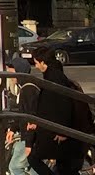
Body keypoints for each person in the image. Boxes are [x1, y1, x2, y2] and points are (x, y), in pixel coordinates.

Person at [28, 46, 86, 175]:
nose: (36, 67)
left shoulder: (54, 78)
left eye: (36, 63)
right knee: (65, 167)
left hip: (57, 131)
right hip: (56, 129)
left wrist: (63, 131)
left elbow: (62, 104)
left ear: (43, 62)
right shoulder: (55, 74)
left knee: (34, 158)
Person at [5, 55, 40, 175]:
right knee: (33, 168)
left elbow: (31, 117)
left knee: (15, 167)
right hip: (29, 137)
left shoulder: (28, 90)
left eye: (12, 74)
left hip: (29, 137)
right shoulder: (25, 87)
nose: (10, 78)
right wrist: (13, 129)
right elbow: (22, 112)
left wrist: (29, 144)